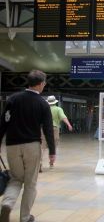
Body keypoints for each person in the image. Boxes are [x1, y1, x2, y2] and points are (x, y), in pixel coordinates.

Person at [0, 70, 56, 222]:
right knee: (30, 183)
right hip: (31, 145)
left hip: (12, 145)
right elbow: (48, 129)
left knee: (15, 178)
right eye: (44, 83)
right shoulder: (42, 103)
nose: (44, 85)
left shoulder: (13, 99)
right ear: (40, 84)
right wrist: (52, 150)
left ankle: (7, 203)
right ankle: (25, 217)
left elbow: (3, 123)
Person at [41, 95, 72, 170]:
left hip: (43, 129)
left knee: (42, 147)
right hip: (54, 129)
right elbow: (63, 117)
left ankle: (39, 164)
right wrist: (69, 124)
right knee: (53, 147)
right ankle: (51, 164)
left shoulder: (43, 108)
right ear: (55, 102)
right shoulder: (58, 109)